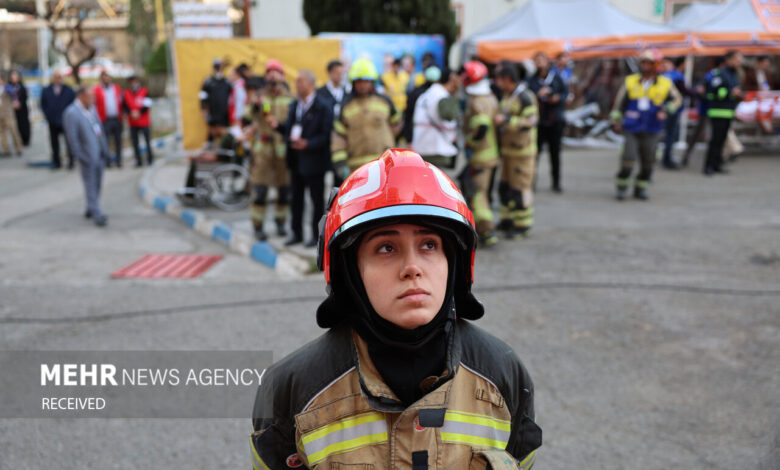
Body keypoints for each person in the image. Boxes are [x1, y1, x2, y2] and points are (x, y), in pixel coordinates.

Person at [251, 149, 542, 470]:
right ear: (351, 273)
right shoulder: (292, 389)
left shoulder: (503, 374)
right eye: (386, 248)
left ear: (455, 263)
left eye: (429, 245)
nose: (412, 267)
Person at [266, 70, 333, 247]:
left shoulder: (323, 106)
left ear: (311, 84)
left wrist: (308, 144)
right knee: (296, 199)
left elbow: (326, 135)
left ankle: (316, 236)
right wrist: (278, 127)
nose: (297, 85)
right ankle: (296, 233)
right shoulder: (295, 105)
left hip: (314, 161)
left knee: (316, 201)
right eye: (296, 82)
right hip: (295, 159)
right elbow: (290, 131)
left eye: (300, 82)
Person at [610, 51, 681, 201]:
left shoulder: (665, 83)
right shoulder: (630, 81)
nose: (644, 66)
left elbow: (677, 100)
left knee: (648, 162)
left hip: (652, 127)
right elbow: (619, 103)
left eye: (648, 63)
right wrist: (615, 120)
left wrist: (666, 110)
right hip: (631, 126)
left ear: (655, 65)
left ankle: (640, 188)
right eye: (643, 63)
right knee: (628, 160)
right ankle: (621, 188)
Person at [245, 59, 294, 241]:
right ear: (265, 76)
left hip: (282, 152)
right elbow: (248, 115)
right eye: (269, 72)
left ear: (282, 76)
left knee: (284, 189)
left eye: (276, 71)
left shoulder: (290, 98)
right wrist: (256, 105)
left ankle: (281, 223)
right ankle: (257, 226)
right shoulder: (258, 96)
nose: (272, 75)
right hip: (263, 151)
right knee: (260, 190)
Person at [331, 58, 401, 184]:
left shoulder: (385, 102)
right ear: (353, 83)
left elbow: (397, 125)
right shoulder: (346, 107)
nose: (363, 85)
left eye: (366, 81)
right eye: (359, 81)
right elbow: (338, 139)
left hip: (384, 166)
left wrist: (387, 143)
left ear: (372, 82)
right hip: (356, 169)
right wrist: (341, 166)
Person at [494, 62, 539, 237]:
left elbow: (530, 122)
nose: (496, 82)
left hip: (522, 154)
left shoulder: (525, 97)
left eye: (499, 79)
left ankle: (522, 225)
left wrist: (506, 121)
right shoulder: (508, 95)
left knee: (520, 189)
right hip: (508, 152)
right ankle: (507, 221)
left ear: (507, 79)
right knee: (505, 188)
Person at [461, 60, 500, 247]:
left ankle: (486, 230)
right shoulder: (490, 97)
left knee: (477, 193)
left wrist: (471, 142)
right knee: (483, 192)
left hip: (480, 156)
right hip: (491, 154)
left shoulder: (477, 101)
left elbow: (481, 126)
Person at [63, 86, 109, 226]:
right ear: (81, 96)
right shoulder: (72, 113)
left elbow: (99, 129)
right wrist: (80, 156)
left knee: (98, 183)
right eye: (90, 96)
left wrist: (105, 149)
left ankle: (91, 207)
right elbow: (72, 138)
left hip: (99, 153)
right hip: (87, 156)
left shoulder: (92, 109)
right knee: (90, 185)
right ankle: (97, 214)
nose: (93, 99)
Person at [528, 52, 568, 193]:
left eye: (541, 61)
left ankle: (556, 182)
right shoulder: (531, 80)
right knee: (535, 154)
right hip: (539, 122)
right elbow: (528, 96)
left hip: (555, 121)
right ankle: (531, 182)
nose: (539, 64)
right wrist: (538, 95)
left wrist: (557, 98)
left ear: (547, 62)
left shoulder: (556, 78)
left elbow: (565, 94)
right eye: (536, 61)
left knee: (555, 153)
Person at [703, 50, 743, 176]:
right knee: (715, 140)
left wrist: (739, 94)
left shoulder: (733, 74)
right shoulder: (720, 74)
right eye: (736, 59)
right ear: (728, 60)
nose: (739, 62)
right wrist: (730, 93)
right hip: (717, 112)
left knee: (722, 141)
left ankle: (717, 164)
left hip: (728, 112)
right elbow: (711, 93)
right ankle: (708, 166)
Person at [411, 67, 459, 168]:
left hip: (422, 146)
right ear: (452, 78)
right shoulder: (442, 96)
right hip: (437, 147)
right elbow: (449, 115)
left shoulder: (426, 94)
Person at [682, 56, 724, 167]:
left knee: (716, 136)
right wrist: (708, 96)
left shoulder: (721, 75)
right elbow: (700, 89)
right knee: (699, 134)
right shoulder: (712, 75)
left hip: (716, 110)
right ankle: (687, 156)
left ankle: (718, 159)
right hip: (706, 110)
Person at [41, 71, 76, 169]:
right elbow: (43, 104)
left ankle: (71, 161)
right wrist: (48, 115)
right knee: (54, 143)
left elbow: (73, 103)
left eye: (59, 77)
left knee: (68, 142)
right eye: (56, 77)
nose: (57, 79)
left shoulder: (68, 90)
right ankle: (57, 162)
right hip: (53, 121)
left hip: (66, 120)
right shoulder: (46, 90)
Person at [660, 57, 688, 169]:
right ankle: (667, 159)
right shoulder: (675, 76)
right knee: (670, 135)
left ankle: (666, 157)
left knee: (670, 134)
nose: (663, 65)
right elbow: (684, 91)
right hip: (669, 110)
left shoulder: (664, 76)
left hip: (668, 109)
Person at [402, 65, 438, 145]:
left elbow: (408, 117)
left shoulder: (416, 92)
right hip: (434, 140)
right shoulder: (441, 93)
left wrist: (409, 138)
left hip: (419, 137)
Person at [122, 75, 153, 167]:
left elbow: (148, 104)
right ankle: (138, 160)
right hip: (133, 122)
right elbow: (124, 106)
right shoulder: (126, 93)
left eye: (134, 81)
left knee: (147, 141)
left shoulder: (144, 91)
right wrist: (131, 112)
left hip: (144, 121)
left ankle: (150, 159)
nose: (132, 83)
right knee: (135, 143)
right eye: (131, 82)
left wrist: (139, 112)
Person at [200, 58, 232, 144]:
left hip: (224, 115)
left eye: (219, 68)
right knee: (212, 134)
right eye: (216, 67)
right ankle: (209, 150)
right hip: (213, 114)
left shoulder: (226, 82)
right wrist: (204, 110)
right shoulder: (208, 82)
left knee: (225, 137)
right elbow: (203, 97)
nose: (218, 70)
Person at [0, 75, 23, 157]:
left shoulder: (7, 87)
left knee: (13, 131)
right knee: (2, 133)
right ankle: (6, 150)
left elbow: (14, 96)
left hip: (8, 113)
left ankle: (18, 148)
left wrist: (16, 102)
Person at [7, 70, 30, 147]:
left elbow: (24, 96)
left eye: (15, 76)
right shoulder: (8, 86)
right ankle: (18, 141)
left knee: (23, 124)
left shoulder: (21, 86)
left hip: (22, 108)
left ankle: (25, 139)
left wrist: (20, 103)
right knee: (15, 125)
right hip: (12, 109)